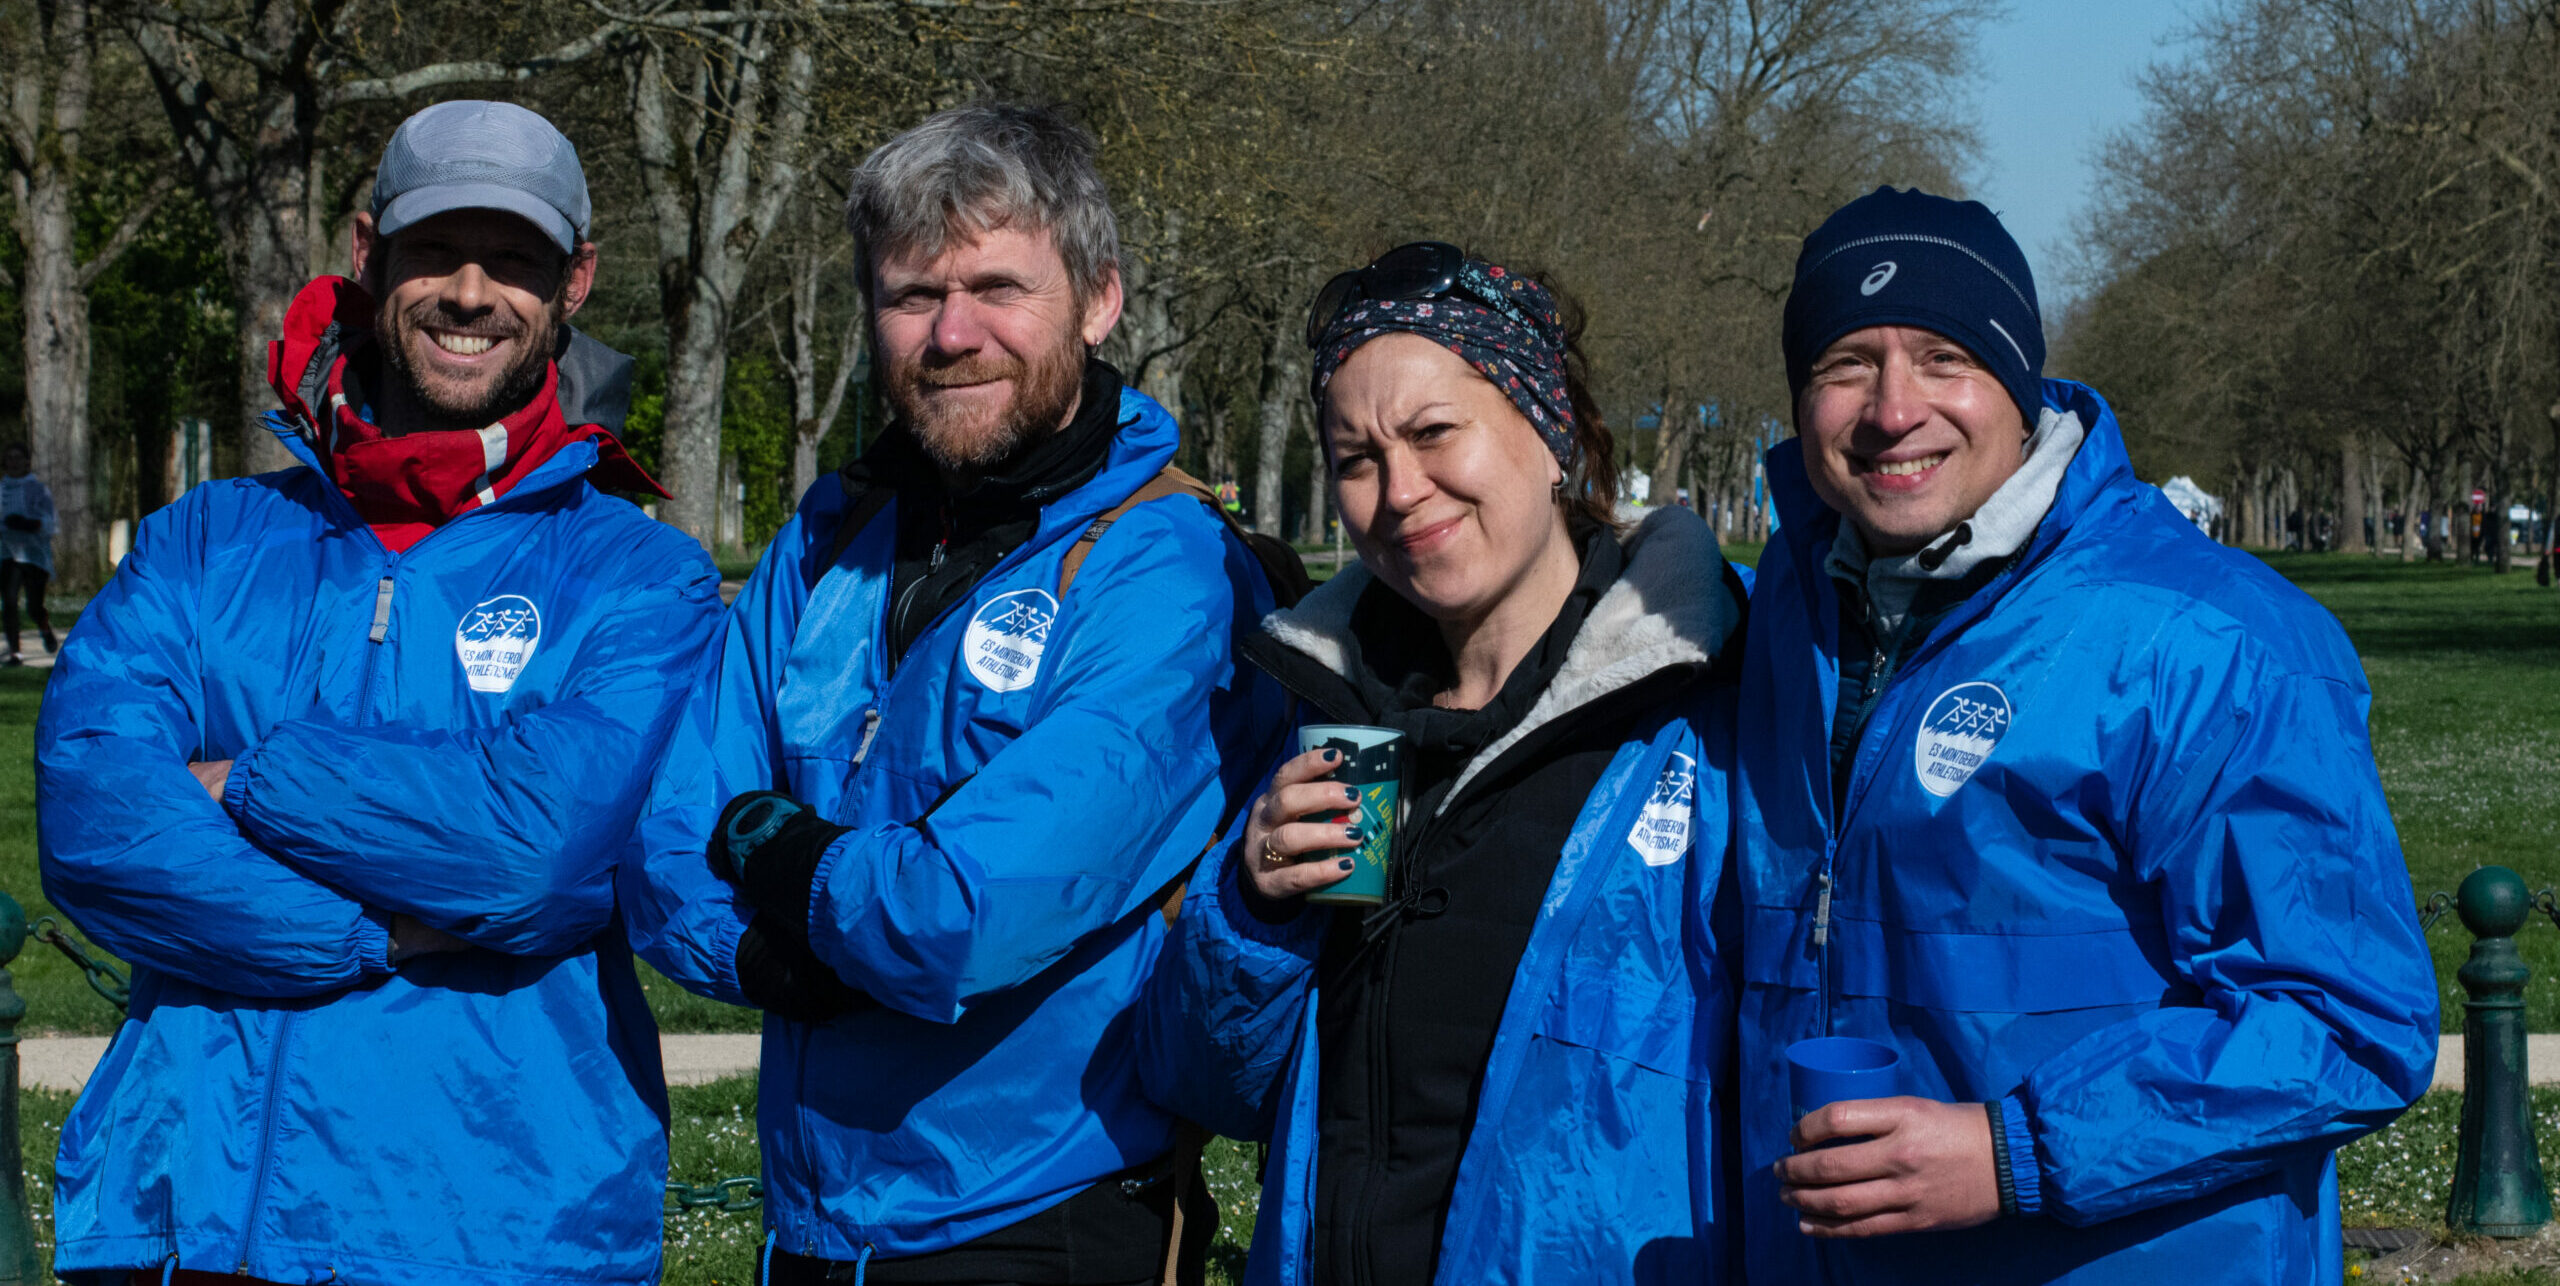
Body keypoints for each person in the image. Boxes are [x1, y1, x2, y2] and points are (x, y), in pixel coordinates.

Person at [36, 100, 721, 1286]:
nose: (470, 291)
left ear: (576, 283)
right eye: (435, 251)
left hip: (498, 1229)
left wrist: (248, 778)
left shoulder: (641, 574)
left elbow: (531, 850)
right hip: (183, 1215)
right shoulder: (203, 541)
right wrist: (378, 930)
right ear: (368, 255)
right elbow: (97, 824)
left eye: (514, 259)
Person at [620, 102, 1288, 1285]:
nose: (952, 332)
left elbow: (964, 912)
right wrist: (777, 966)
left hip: (1040, 1217)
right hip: (811, 1226)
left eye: (996, 287)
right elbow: (666, 841)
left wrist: (768, 847)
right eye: (911, 294)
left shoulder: (1162, 566)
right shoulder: (828, 540)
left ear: (1098, 299)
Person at [1731, 186, 2440, 1283]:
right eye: (1844, 366)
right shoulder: (1780, 612)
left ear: (2017, 385)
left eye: (1942, 356)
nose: (1892, 408)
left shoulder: (2211, 638)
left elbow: (2345, 1018)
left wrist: (2013, 1152)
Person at [1139, 243, 1747, 1285]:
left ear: (1550, 430)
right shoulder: (1335, 712)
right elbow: (1212, 1084)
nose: (1399, 491)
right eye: (1355, 458)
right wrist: (1253, 909)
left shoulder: (1709, 708)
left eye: (1431, 434)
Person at [0, 444, 57, 663]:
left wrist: (28, 524)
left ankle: (44, 627)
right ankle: (15, 652)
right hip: (8, 554)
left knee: (34, 606)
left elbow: (51, 523)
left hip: (34, 555)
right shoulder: (2, 489)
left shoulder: (38, 489)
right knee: (10, 601)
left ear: (26, 462)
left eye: (17, 458)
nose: (13, 462)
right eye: (9, 458)